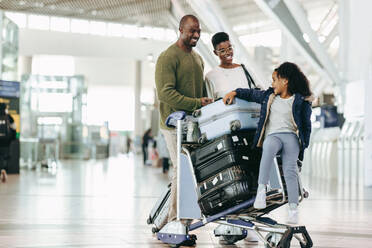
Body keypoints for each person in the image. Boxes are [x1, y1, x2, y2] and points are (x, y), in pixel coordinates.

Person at [223, 62, 313, 224]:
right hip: (273, 136)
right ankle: (261, 191)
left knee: (290, 170)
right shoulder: (269, 96)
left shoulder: (300, 101)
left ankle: (293, 208)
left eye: (274, 80)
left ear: (285, 81)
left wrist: (303, 144)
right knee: (268, 149)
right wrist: (234, 92)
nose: (272, 83)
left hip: (291, 137)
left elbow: (306, 125)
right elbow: (251, 94)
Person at [155, 14, 213, 227]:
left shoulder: (198, 58)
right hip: (172, 125)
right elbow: (165, 94)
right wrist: (197, 103)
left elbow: (202, 92)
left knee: (191, 171)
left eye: (198, 31)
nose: (196, 35)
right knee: (182, 170)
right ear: (181, 30)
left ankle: (170, 220)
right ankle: (175, 221)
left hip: (192, 125)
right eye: (192, 31)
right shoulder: (168, 57)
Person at [205, 32, 261, 99]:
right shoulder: (210, 76)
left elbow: (259, 92)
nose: (228, 53)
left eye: (230, 48)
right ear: (215, 53)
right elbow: (210, 103)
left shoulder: (244, 70)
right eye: (222, 51)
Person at [0, 103, 16, 183]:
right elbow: (14, 128)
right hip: (6, 141)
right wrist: (12, 138)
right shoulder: (9, 117)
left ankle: (1, 170)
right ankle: (4, 170)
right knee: (5, 157)